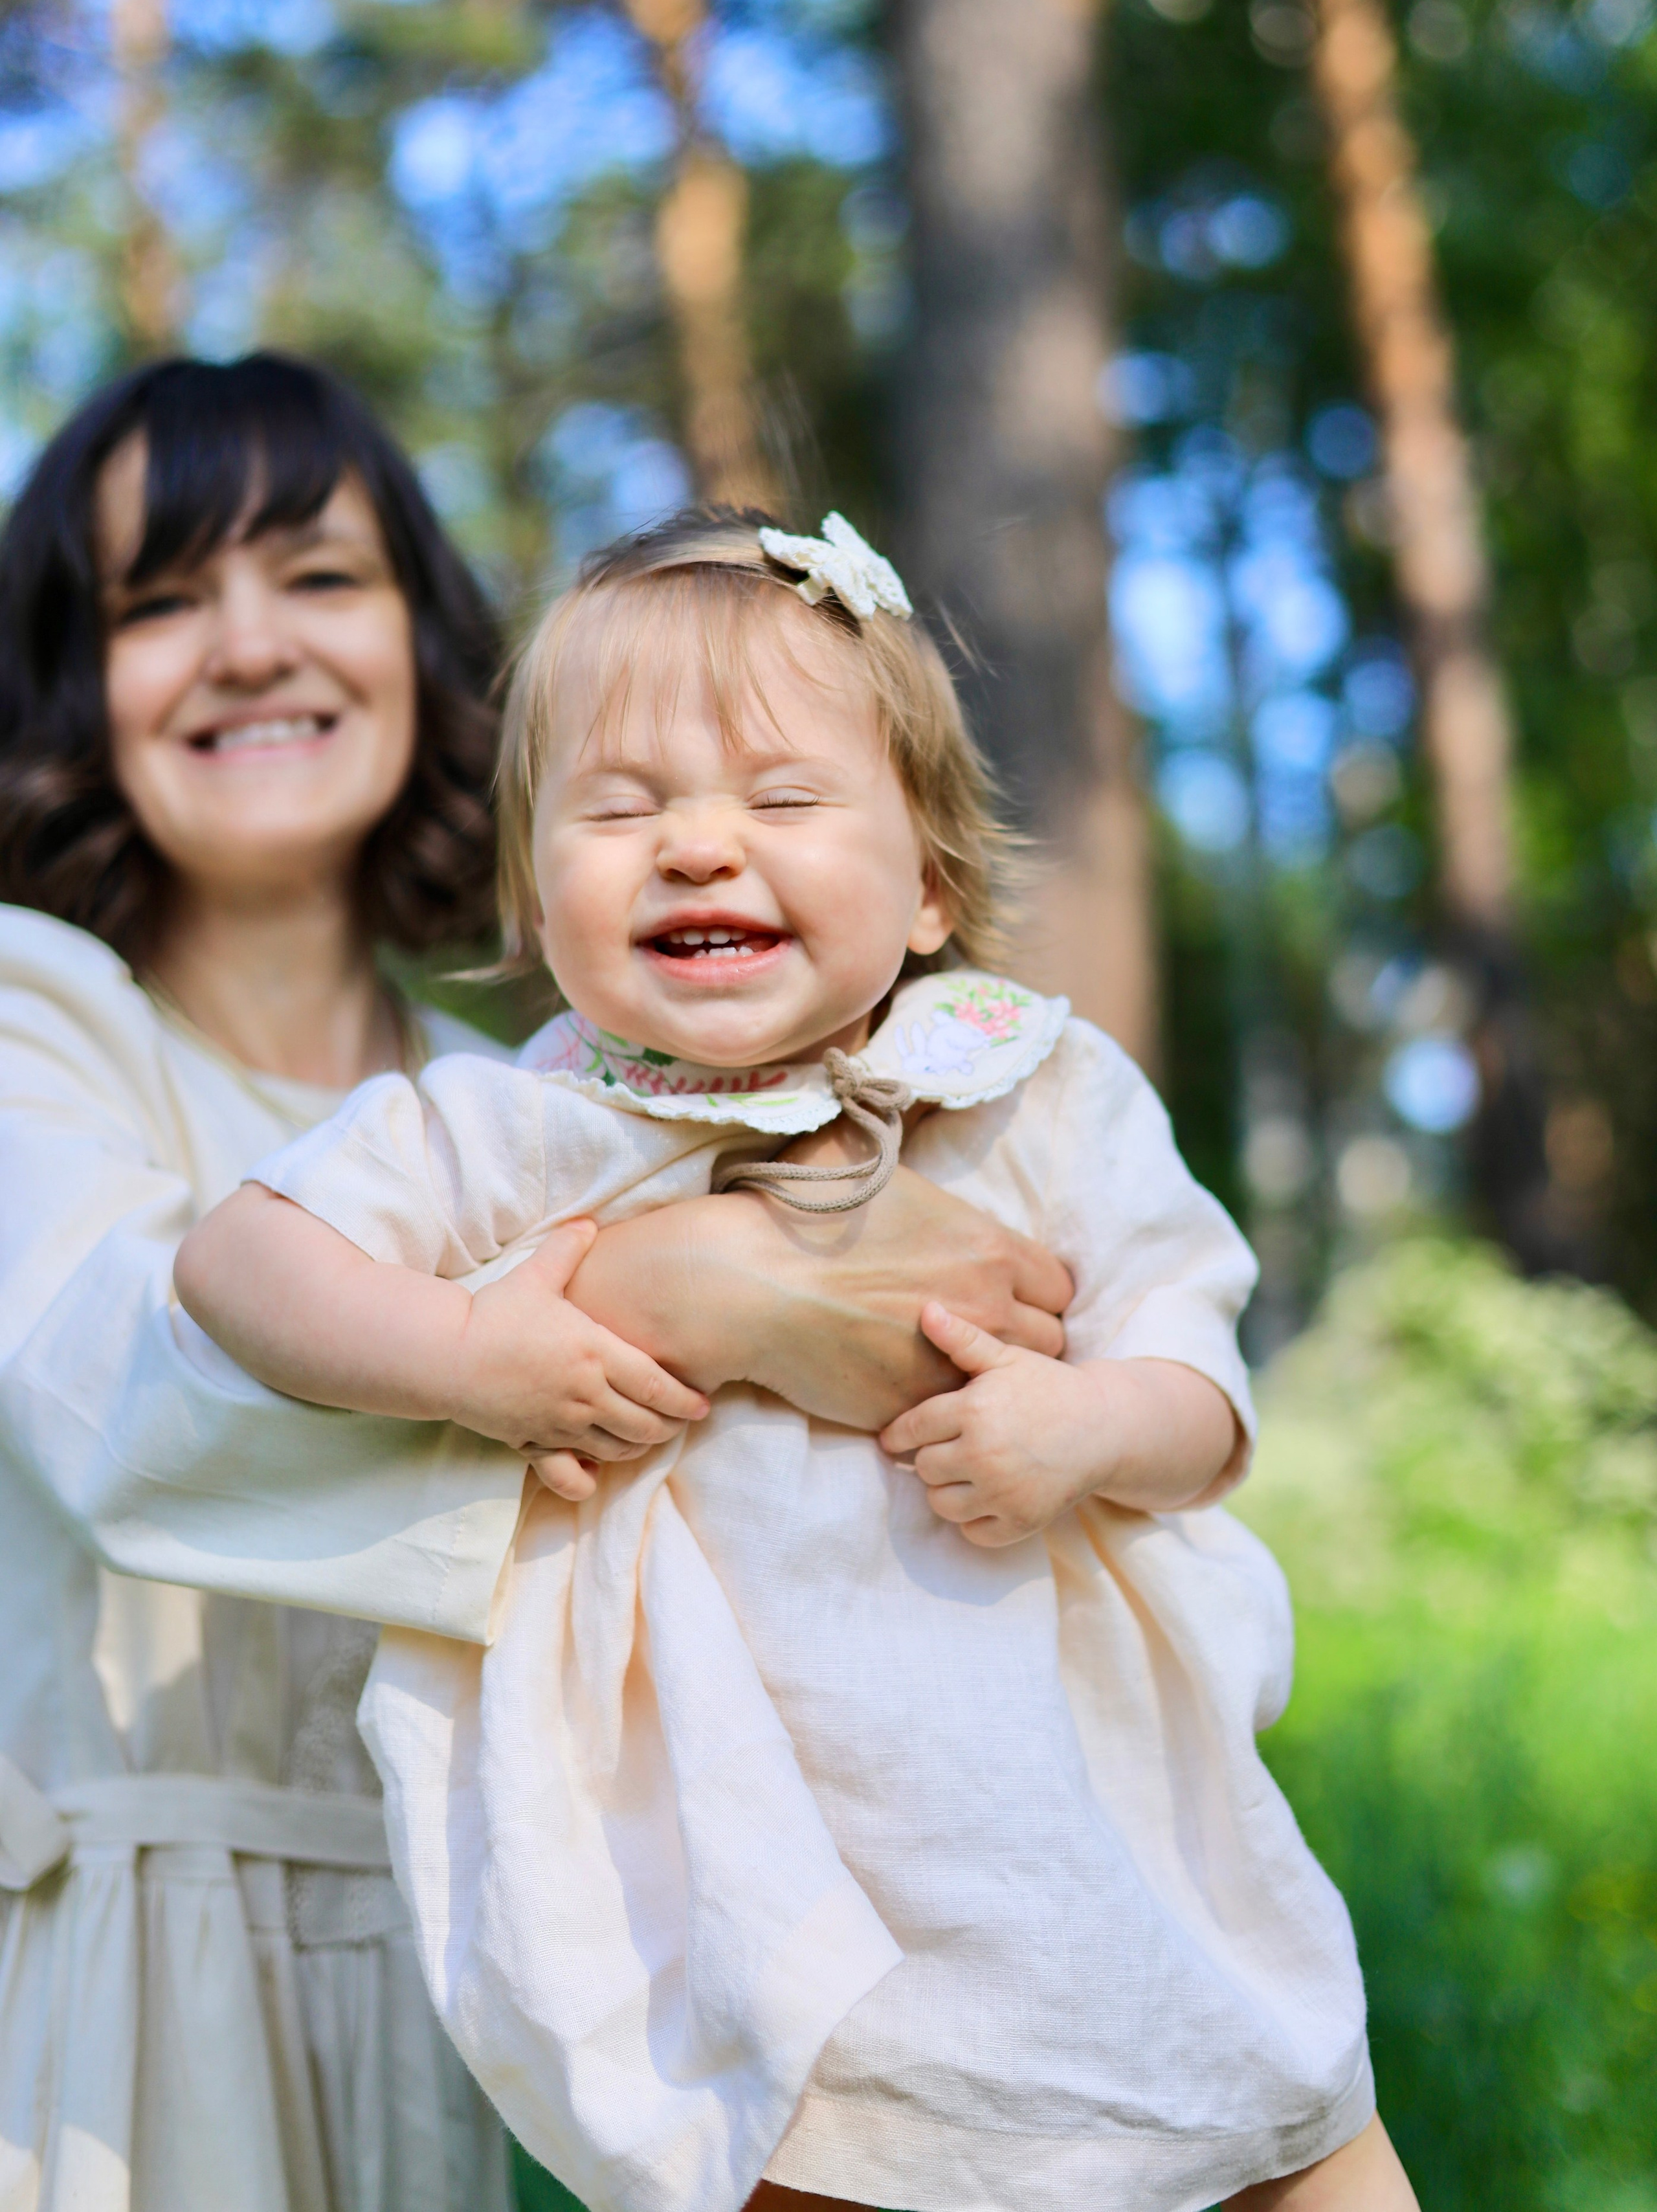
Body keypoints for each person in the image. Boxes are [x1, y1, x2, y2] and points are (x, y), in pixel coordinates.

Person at [178, 508, 1419, 2212]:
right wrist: (468, 1347)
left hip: (1081, 1813)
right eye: (622, 808)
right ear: (536, 896)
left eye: (780, 798)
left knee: (1269, 2111)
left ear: (931, 885)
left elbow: (1201, 1394)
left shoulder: (1036, 1094)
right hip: (758, 1870)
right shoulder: (525, 1128)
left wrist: (1084, 1420)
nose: (699, 846)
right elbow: (236, 1262)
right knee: (826, 2136)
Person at [0, 364, 1071, 2212]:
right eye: (162, 600)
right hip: (105, 1999)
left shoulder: (535, 1095)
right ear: (69, 679)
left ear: (424, 639)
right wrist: (689, 1287)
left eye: (318, 577)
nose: (249, 646)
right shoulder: (34, 1014)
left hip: (465, 1982)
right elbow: (109, 1387)